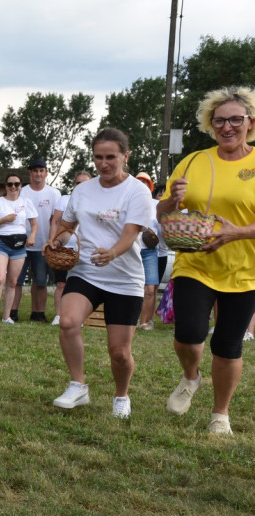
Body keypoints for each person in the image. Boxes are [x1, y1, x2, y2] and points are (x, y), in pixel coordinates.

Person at [157, 86, 255, 436]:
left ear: (250, 122)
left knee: (228, 346)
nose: (227, 127)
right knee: (188, 336)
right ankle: (190, 377)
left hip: (245, 271)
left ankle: (220, 414)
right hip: (194, 262)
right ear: (210, 125)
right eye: (219, 121)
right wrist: (172, 201)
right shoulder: (195, 161)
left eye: (235, 120)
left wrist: (237, 233)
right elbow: (162, 210)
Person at [47, 128, 154, 418]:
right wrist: (58, 239)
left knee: (119, 352)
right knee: (68, 321)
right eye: (98, 157)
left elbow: (131, 234)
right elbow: (68, 227)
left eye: (111, 157)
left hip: (125, 278)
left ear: (125, 156)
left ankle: (121, 395)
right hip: (86, 271)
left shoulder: (137, 191)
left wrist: (113, 253)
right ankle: (77, 384)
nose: (104, 163)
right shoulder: (82, 190)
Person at [0, 173, 38, 324]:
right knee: (0, 278)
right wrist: (4, 219)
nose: (13, 187)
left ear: (21, 186)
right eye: (10, 184)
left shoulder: (26, 202)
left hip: (19, 244)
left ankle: (6, 316)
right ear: (5, 186)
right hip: (0, 242)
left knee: (13, 282)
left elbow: (34, 224)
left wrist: (32, 236)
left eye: (16, 184)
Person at [16, 159, 62, 322]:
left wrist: (51, 241)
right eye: (35, 171)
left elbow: (55, 220)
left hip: (43, 245)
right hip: (20, 244)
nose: (38, 174)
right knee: (16, 281)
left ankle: (38, 313)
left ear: (46, 173)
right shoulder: (22, 192)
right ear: (30, 173)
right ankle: (13, 312)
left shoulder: (54, 194)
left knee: (41, 282)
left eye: (41, 170)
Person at [50, 171, 91, 326]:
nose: (81, 186)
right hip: (65, 251)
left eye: (85, 183)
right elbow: (62, 225)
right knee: (61, 284)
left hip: (87, 251)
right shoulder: (67, 200)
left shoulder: (98, 200)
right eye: (78, 183)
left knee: (81, 286)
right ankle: (59, 315)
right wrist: (55, 242)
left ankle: (79, 317)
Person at [134, 172, 162, 330]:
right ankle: (129, 319)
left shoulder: (156, 204)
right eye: (139, 182)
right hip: (130, 249)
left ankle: (144, 322)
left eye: (146, 182)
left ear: (150, 187)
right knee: (129, 287)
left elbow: (162, 227)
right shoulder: (127, 201)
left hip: (150, 251)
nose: (143, 185)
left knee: (150, 289)